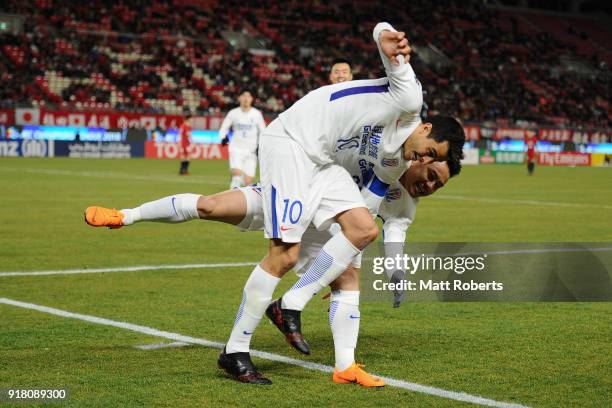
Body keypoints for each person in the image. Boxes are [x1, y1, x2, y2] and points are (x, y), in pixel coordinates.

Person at [214, 21, 464, 385]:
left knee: (362, 234)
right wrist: (387, 37)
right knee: (283, 253)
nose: (422, 162)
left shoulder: (398, 161)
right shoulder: (410, 100)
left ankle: (337, 357)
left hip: (323, 166)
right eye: (428, 153)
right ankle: (236, 350)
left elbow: (371, 205)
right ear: (425, 129)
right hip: (293, 142)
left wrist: (339, 255)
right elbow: (383, 38)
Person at [84, 159, 455, 387]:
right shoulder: (382, 154)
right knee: (212, 206)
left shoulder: (406, 204)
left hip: (323, 229)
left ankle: (346, 366)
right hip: (294, 194)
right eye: (432, 173)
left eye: (439, 185)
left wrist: (396, 272)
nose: (431, 185)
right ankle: (126, 215)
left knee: (347, 279)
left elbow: (395, 232)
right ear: (422, 156)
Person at [218, 90, 266, 188]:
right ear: (239, 98)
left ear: (252, 99)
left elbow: (263, 131)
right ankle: (232, 201)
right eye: (243, 96)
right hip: (236, 148)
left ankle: (242, 201)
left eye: (248, 96)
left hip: (251, 151)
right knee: (237, 177)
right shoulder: (233, 113)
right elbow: (224, 128)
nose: (246, 98)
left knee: (248, 182)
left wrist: (261, 145)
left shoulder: (256, 114)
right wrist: (223, 137)